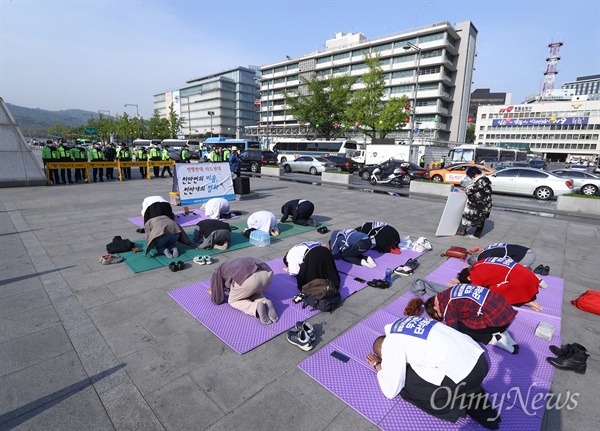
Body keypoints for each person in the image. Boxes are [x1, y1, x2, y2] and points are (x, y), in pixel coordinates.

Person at [365, 316, 500, 429]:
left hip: (466, 374)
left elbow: (390, 391)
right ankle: (481, 402)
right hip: (480, 359)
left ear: (382, 352)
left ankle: (461, 408)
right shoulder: (406, 323)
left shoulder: (390, 344)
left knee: (405, 383)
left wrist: (379, 366)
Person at [405, 284, 519, 354]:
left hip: (496, 321)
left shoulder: (447, 305)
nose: (442, 317)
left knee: (459, 328)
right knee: (466, 316)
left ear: (436, 308)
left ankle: (491, 339)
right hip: (507, 313)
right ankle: (503, 332)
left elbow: (453, 333)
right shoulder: (450, 291)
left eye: (440, 316)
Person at [209, 257, 277, 324]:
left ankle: (255, 307)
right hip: (268, 274)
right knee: (251, 291)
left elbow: (217, 300)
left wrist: (214, 292)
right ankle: (265, 302)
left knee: (233, 301)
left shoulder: (217, 271)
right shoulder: (232, 263)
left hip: (249, 280)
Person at [457, 257, 543, 311]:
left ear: (469, 278)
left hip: (522, 282)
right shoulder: (478, 263)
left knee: (491, 295)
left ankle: (526, 301)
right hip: (529, 276)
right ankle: (527, 298)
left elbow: (477, 292)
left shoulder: (475, 275)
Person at [456, 166, 492, 239]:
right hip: (483, 203)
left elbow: (474, 189)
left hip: (482, 204)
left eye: (471, 176)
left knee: (479, 219)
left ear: (474, 174)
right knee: (479, 219)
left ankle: (476, 235)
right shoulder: (483, 179)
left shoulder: (482, 180)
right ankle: (472, 233)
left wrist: (464, 191)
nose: (471, 178)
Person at [470, 243, 536, 268]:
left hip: (526, 257)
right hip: (526, 251)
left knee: (513, 272)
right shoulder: (485, 251)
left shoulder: (483, 257)